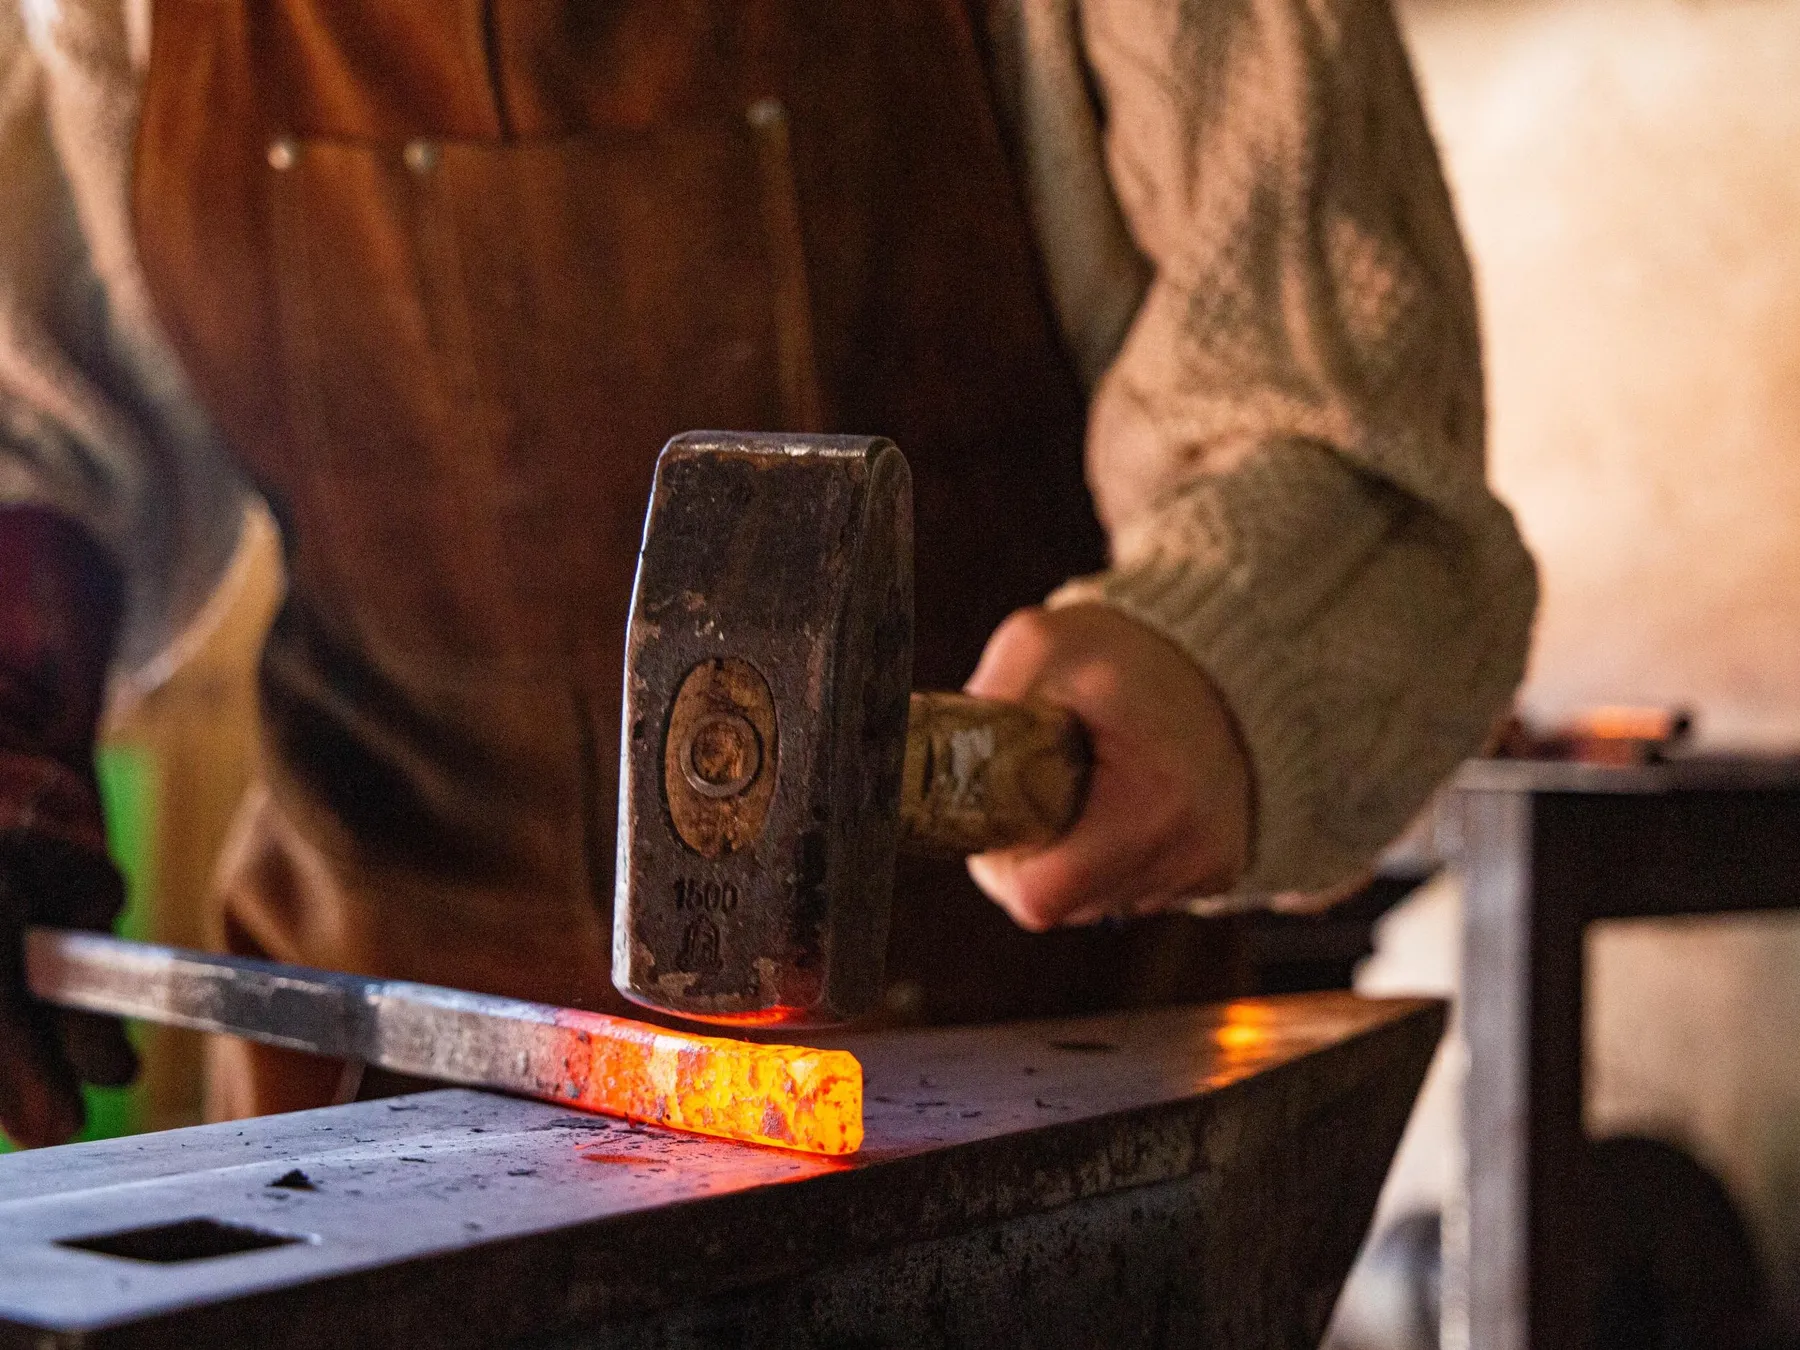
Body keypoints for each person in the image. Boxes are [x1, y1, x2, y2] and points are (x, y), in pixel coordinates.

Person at [0, 0, 1535, 1146]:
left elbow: (1354, 464)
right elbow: (37, 433)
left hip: (990, 1130)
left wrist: (1217, 654)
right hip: (350, 1111)